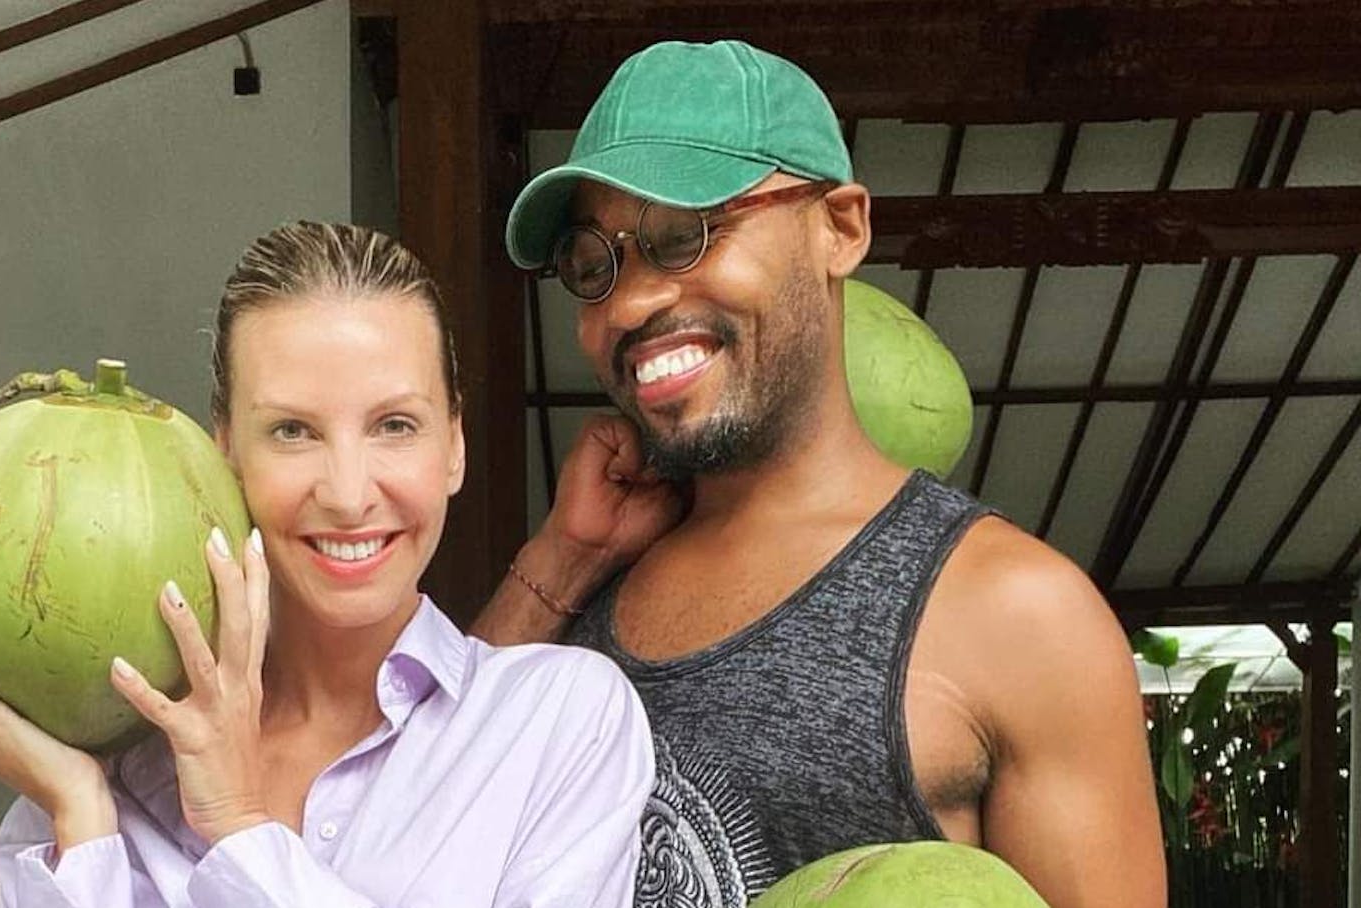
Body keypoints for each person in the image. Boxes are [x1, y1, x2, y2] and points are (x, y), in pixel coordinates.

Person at [472, 40, 1165, 908]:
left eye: (685, 235)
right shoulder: (586, 575)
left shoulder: (1016, 613)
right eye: (592, 264)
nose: (631, 302)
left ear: (839, 228)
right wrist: (563, 562)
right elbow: (422, 820)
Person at [0, 222, 653, 908]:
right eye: (291, 431)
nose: (349, 495)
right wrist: (79, 808)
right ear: (224, 454)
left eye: (394, 424)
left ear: (453, 444)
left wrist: (239, 827)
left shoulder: (558, 722)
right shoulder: (109, 782)